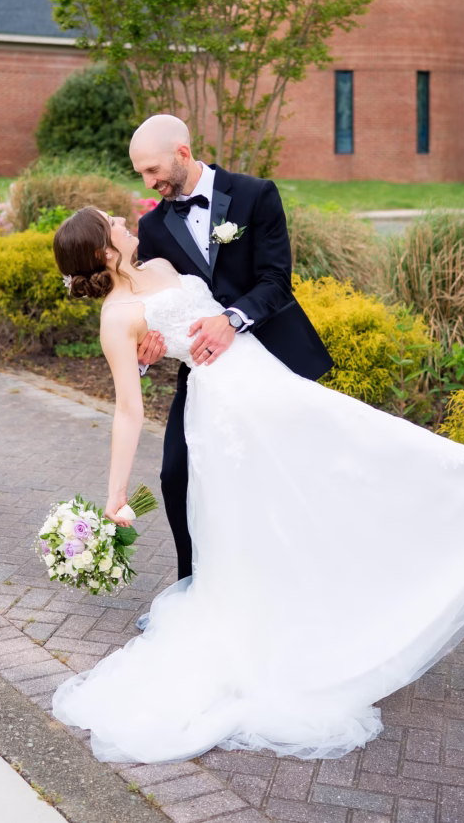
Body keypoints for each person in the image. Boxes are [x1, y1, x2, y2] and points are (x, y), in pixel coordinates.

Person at [49, 193, 464, 765]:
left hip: (265, 376)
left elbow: (204, 311)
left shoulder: (160, 265)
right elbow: (128, 408)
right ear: (104, 252)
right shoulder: (116, 317)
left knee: (356, 449)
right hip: (227, 411)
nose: (121, 220)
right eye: (110, 224)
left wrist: (168, 340)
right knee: (276, 513)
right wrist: (114, 491)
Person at [129, 114, 332, 581]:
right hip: (203, 372)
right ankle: (190, 590)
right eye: (142, 172)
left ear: (182, 153)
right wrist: (147, 353)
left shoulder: (255, 195)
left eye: (153, 169)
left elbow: (276, 280)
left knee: (290, 475)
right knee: (176, 475)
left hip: (271, 357)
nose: (149, 181)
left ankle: (294, 578)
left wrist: (231, 320)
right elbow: (151, 304)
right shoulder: (153, 227)